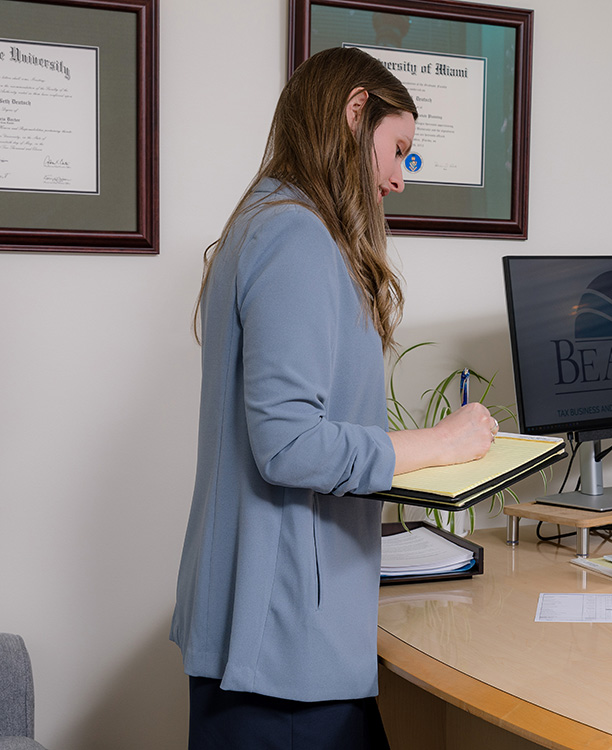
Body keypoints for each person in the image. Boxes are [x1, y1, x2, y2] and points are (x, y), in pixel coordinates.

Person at [170, 47, 498, 748]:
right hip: (282, 645)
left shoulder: (272, 220)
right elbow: (289, 444)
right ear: (357, 112)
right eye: (399, 149)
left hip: (283, 632)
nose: (400, 177)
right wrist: (440, 442)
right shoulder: (295, 233)